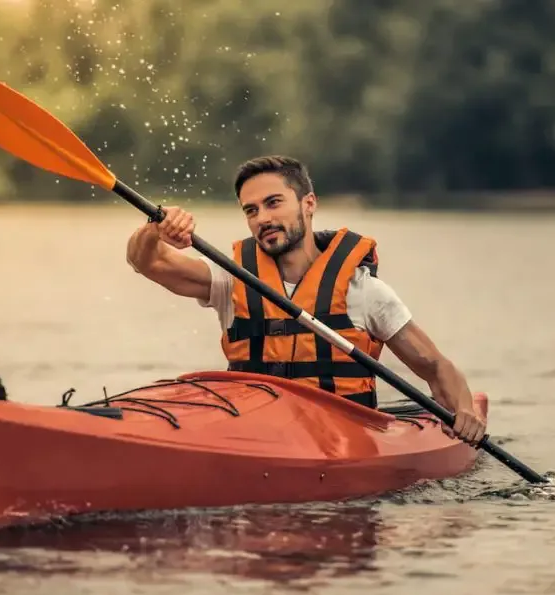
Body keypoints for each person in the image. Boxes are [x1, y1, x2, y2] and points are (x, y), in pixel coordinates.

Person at [126, 155, 486, 445]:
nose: (262, 218)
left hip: (342, 438)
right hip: (252, 432)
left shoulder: (364, 293)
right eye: (251, 210)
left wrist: (464, 411)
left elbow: (435, 367)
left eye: (273, 203)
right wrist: (155, 229)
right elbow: (147, 261)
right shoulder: (230, 279)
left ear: (308, 203)